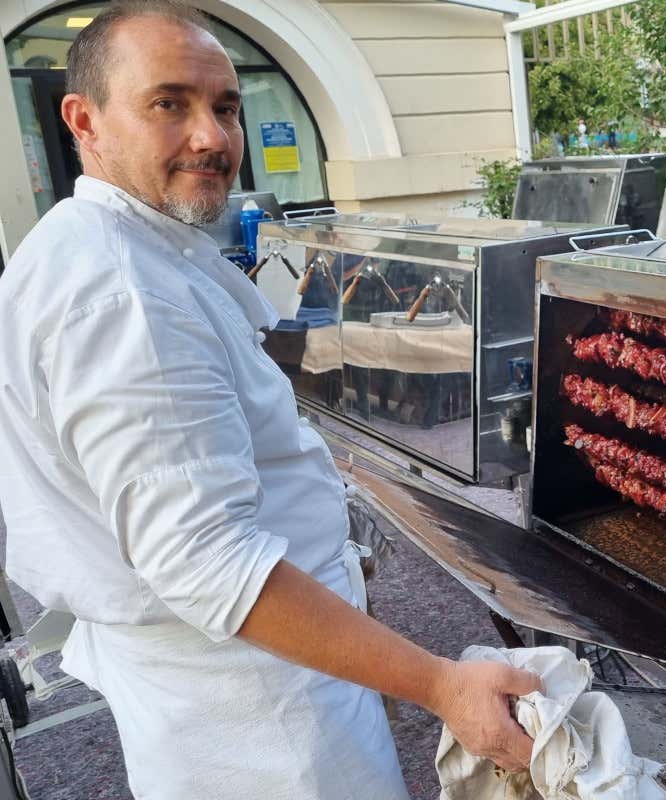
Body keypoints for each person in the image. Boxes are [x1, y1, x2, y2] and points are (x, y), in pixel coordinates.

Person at [0, 2, 539, 798]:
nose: (212, 137)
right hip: (259, 716)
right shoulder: (124, 293)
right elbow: (208, 563)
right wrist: (440, 685)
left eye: (226, 108)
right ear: (84, 119)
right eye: (169, 103)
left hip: (243, 681)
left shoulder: (113, 245)